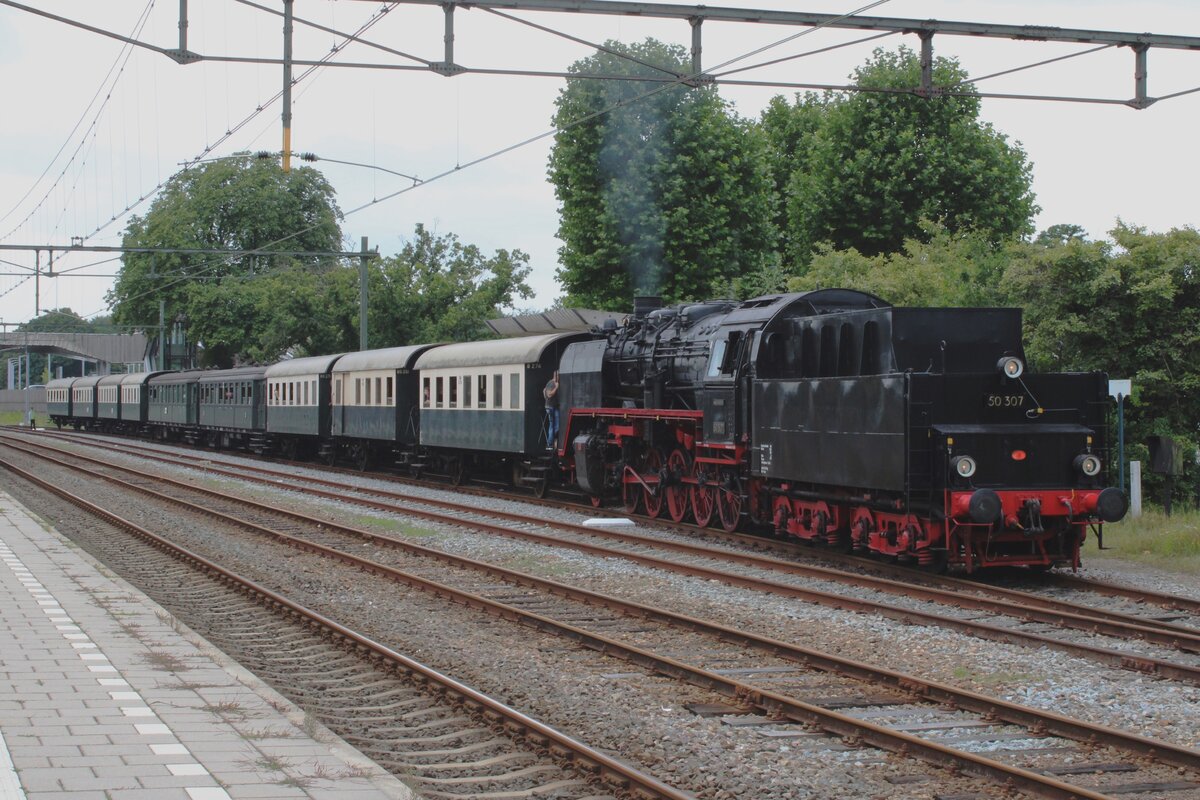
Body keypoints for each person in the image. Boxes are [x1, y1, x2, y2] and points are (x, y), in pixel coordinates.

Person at [543, 371, 560, 450]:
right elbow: (549, 394)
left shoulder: (556, 383)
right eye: (558, 376)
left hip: (555, 407)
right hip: (550, 407)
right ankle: (549, 444)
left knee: (557, 425)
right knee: (552, 425)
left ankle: (552, 442)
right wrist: (556, 388)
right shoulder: (551, 383)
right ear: (555, 376)